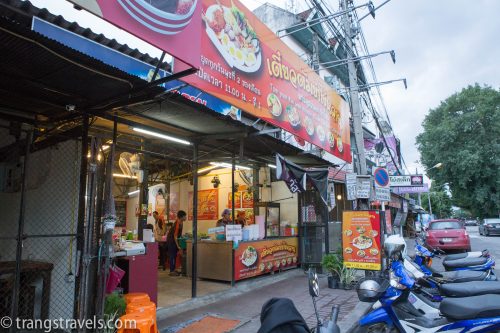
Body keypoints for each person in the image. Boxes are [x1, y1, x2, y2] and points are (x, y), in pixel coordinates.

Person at [166, 210, 186, 276]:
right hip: (171, 241)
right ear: (182, 217)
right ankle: (171, 271)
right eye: (185, 216)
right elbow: (175, 236)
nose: (186, 217)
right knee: (172, 255)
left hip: (174, 240)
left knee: (174, 255)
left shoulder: (181, 222)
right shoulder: (177, 223)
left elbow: (178, 234)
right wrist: (178, 246)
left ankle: (174, 269)